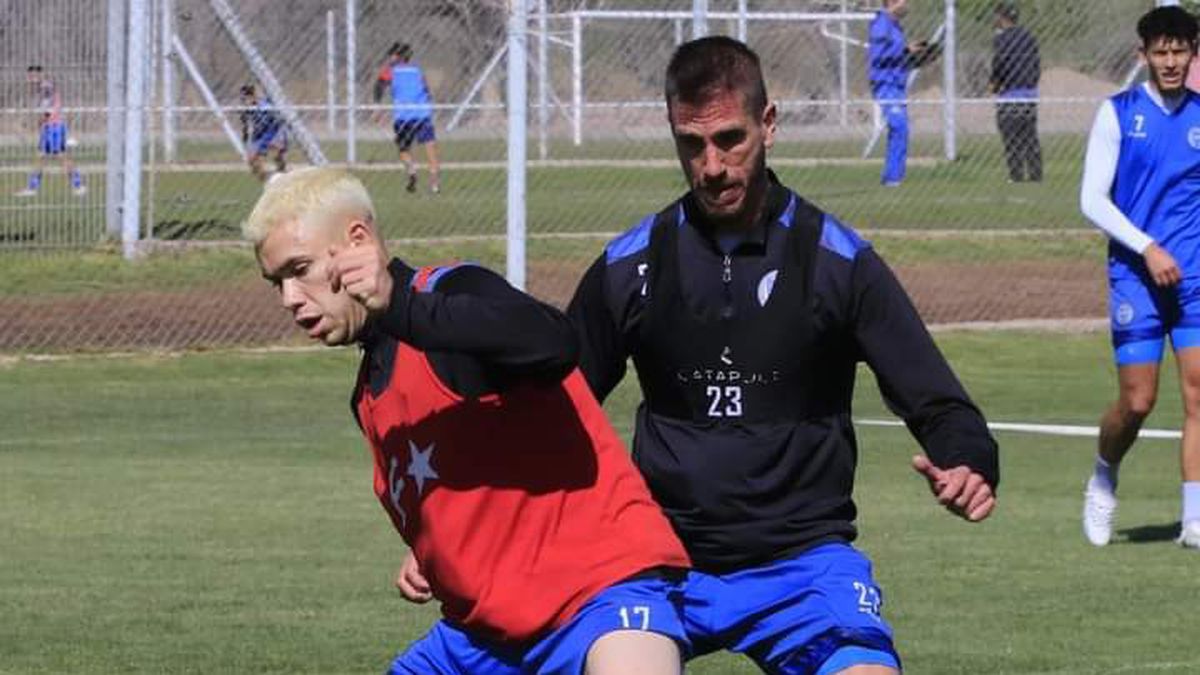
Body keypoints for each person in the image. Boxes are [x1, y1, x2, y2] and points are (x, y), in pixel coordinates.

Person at [401, 36, 1000, 673]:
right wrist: (457, 527)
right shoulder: (631, 266)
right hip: (644, 564)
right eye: (692, 145)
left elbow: (937, 399)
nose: (712, 166)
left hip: (800, 568)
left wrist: (966, 458)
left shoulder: (839, 264)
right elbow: (546, 410)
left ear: (768, 125)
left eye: (730, 140)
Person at [243, 166, 693, 674]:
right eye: (276, 281)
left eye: (298, 269)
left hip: (605, 596)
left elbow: (555, 341)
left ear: (357, 240)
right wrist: (437, 553)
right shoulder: (370, 393)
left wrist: (401, 304)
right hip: (486, 637)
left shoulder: (452, 293)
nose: (288, 298)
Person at [1079, 5, 1200, 551]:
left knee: (1199, 394)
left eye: (1180, 50)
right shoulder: (1118, 113)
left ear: (1192, 54)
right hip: (1137, 275)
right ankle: (1104, 474)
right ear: (1143, 54)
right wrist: (1149, 247)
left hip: (1195, 275)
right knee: (1138, 402)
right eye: (1161, 51)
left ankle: (1194, 517)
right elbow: (1091, 200)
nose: (1170, 61)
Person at [867, 0, 937, 187]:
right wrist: (905, 50)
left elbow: (895, 57)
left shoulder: (895, 25)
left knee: (900, 129)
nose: (907, 4)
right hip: (885, 84)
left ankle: (893, 177)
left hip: (897, 85)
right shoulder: (881, 24)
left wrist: (915, 58)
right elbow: (878, 56)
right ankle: (892, 178)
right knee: (899, 127)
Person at [374, 42, 441, 194]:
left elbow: (379, 86)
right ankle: (434, 184)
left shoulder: (391, 71)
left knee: (403, 148)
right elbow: (426, 90)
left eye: (391, 55)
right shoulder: (417, 71)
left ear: (397, 57)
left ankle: (411, 171)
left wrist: (377, 107)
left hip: (403, 116)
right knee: (430, 147)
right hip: (422, 114)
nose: (389, 58)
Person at [991, 1, 1042, 183]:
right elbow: (1036, 65)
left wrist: (994, 84)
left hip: (1010, 94)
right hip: (1029, 94)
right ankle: (1036, 175)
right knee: (1030, 137)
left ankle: (1016, 175)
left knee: (1011, 138)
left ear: (1001, 18)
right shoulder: (1029, 37)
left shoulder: (1001, 40)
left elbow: (999, 65)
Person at [15, 65, 85, 198]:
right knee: (41, 156)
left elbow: (47, 110)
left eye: (34, 76)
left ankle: (78, 185)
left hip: (54, 127)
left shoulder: (45, 88)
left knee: (61, 156)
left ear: (40, 75)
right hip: (48, 127)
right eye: (30, 76)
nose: (31, 79)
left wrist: (37, 122)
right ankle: (32, 188)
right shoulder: (40, 90)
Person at [238, 84, 288, 182]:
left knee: (276, 153)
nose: (245, 101)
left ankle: (283, 172)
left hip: (273, 131)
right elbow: (245, 125)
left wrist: (280, 138)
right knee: (252, 161)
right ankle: (266, 181)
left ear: (253, 96)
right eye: (243, 99)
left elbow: (279, 120)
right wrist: (245, 136)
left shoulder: (265, 105)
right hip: (259, 135)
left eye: (246, 98)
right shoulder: (246, 109)